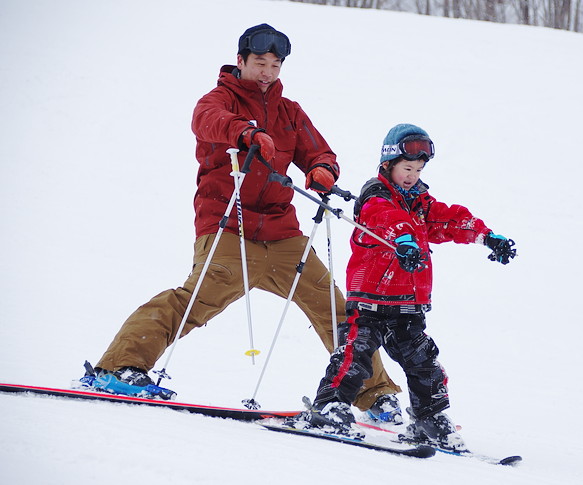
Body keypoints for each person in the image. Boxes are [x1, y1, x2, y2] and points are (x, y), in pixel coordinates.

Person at [85, 24, 402, 420]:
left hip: (283, 235)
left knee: (337, 310)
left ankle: (375, 395)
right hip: (228, 228)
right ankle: (117, 368)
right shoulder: (218, 100)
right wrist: (246, 132)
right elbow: (207, 121)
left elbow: (319, 151)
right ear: (241, 61)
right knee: (190, 304)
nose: (268, 71)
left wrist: (322, 169)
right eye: (260, 62)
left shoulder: (290, 112)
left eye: (275, 64)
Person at [290, 123, 517, 451]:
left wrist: (485, 236)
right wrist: (406, 241)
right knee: (355, 355)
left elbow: (449, 219)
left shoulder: (420, 203)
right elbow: (386, 220)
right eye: (407, 168)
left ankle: (429, 419)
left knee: (424, 362)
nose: (412, 175)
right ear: (388, 165)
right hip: (370, 301)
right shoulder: (374, 196)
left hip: (407, 306)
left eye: (419, 169)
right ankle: (330, 409)